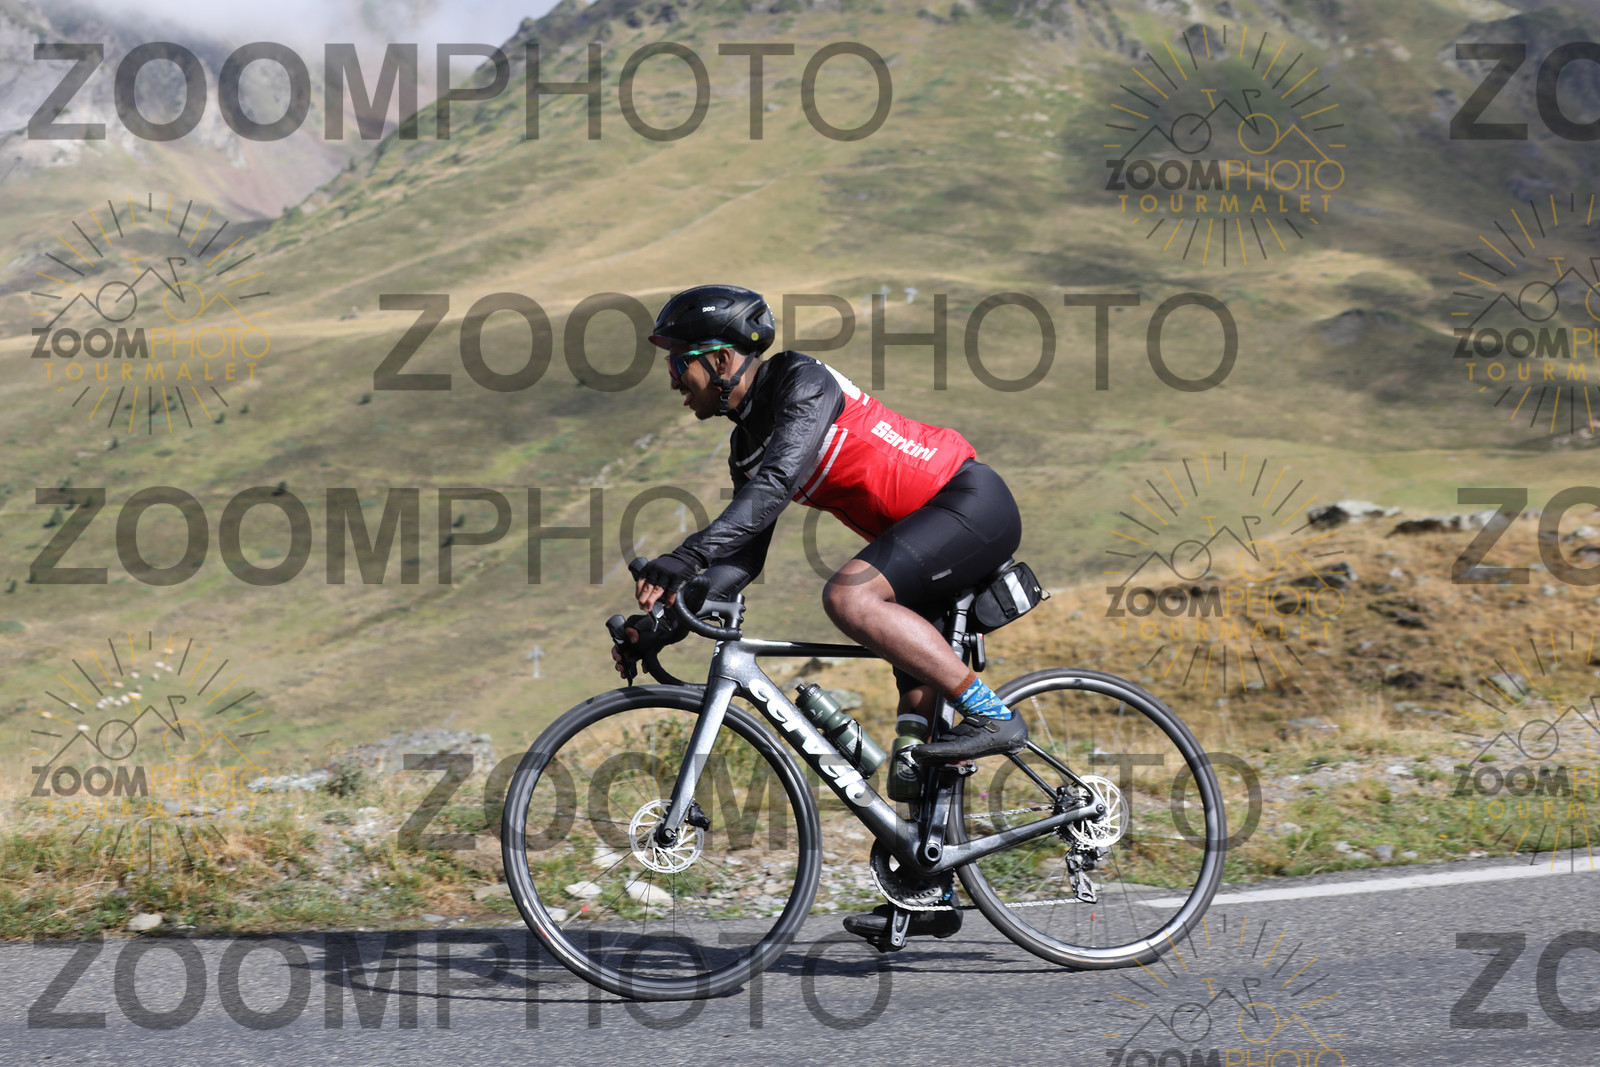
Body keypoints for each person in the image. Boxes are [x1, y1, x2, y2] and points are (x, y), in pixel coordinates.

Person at [612, 283, 1025, 943]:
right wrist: (659, 624)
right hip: (920, 549)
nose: (671, 380)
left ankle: (995, 714)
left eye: (678, 362)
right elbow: (740, 561)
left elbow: (777, 485)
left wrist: (683, 556)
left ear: (720, 360)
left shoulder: (801, 382)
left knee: (848, 597)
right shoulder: (746, 442)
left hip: (967, 504)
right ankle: (930, 888)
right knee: (914, 757)